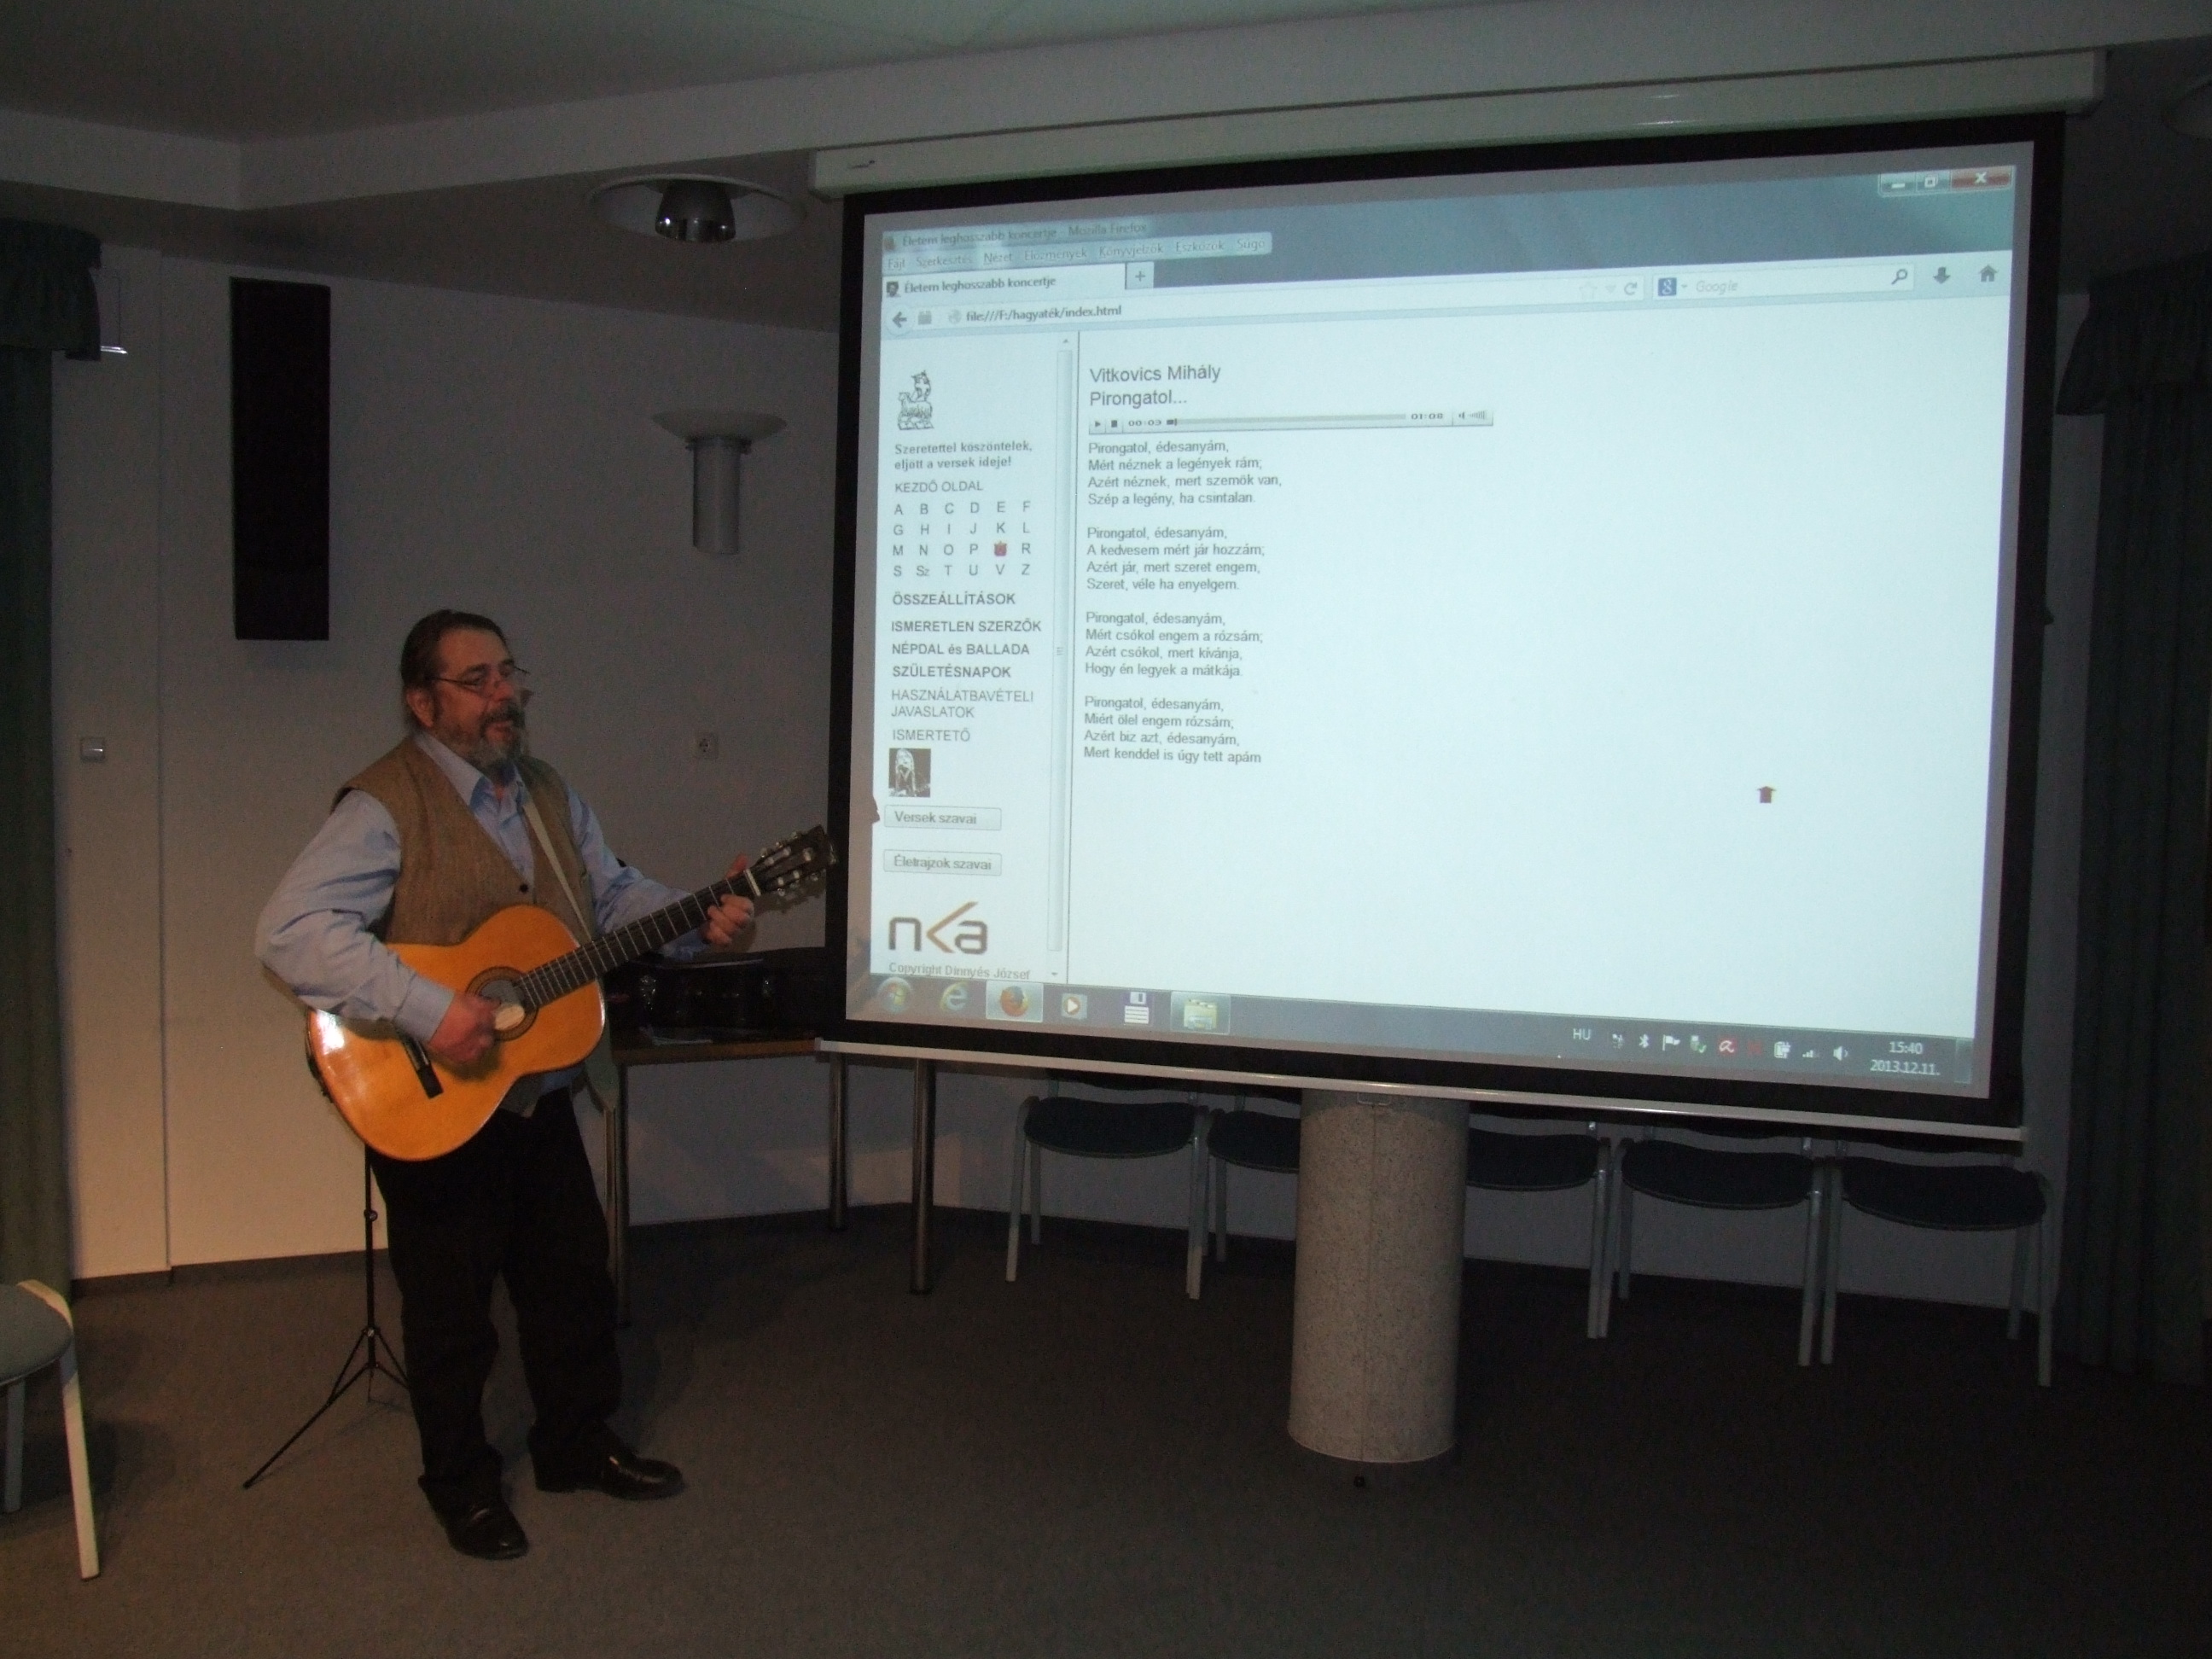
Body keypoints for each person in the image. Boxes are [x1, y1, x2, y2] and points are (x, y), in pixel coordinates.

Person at [256, 609, 755, 1561]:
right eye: (477, 680)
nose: (503, 695)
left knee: (571, 1278)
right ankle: (462, 1485)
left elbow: (610, 898)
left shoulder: (545, 791)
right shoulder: (382, 804)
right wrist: (427, 1008)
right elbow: (291, 932)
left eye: (509, 675)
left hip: (534, 1087)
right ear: (422, 703)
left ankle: (575, 1444)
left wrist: (698, 916)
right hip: (426, 1097)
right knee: (450, 1310)